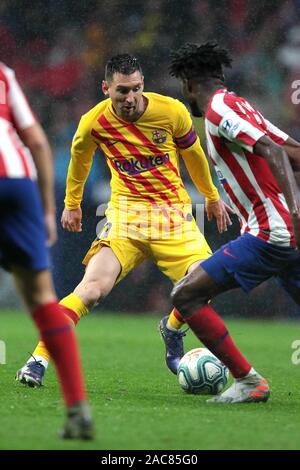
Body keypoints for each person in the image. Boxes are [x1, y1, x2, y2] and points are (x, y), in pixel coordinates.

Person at [16, 53, 231, 386]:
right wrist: (71, 204)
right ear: (106, 88)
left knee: (207, 284)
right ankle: (37, 361)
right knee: (91, 290)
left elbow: (194, 156)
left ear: (142, 84)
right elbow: (79, 159)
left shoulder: (171, 111)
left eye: (134, 89)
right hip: (126, 218)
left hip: (173, 217)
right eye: (121, 91)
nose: (129, 98)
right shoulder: (94, 122)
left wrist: (213, 198)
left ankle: (172, 327)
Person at [166, 41, 300, 403]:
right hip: (283, 232)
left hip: (270, 232)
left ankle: (248, 381)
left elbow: (273, 152)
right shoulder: (240, 106)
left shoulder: (218, 109)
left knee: (187, 294)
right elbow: (294, 153)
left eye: (183, 88)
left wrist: (294, 212)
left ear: (190, 84)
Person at [0, 61, 94, 438]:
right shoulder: (4, 73)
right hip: (19, 182)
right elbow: (37, 140)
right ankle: (77, 410)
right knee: (42, 298)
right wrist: (47, 210)